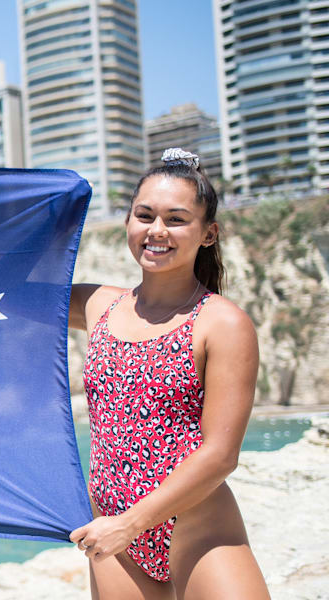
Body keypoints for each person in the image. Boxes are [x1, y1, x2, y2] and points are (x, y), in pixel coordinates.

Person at [67, 148, 269, 599]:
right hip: (112, 526)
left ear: (209, 232)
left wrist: (130, 524)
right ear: (128, 222)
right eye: (144, 215)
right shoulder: (99, 304)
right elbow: (12, 298)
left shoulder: (221, 323)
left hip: (192, 523)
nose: (156, 230)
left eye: (176, 219)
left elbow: (220, 455)